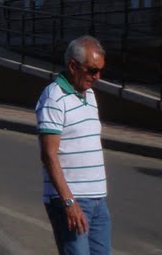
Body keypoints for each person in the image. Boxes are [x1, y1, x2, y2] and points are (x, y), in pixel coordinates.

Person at [36, 35, 110, 255]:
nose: (98, 77)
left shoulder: (90, 95)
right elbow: (49, 155)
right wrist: (69, 202)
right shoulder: (54, 97)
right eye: (92, 70)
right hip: (71, 200)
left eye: (100, 71)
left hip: (98, 200)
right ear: (72, 66)